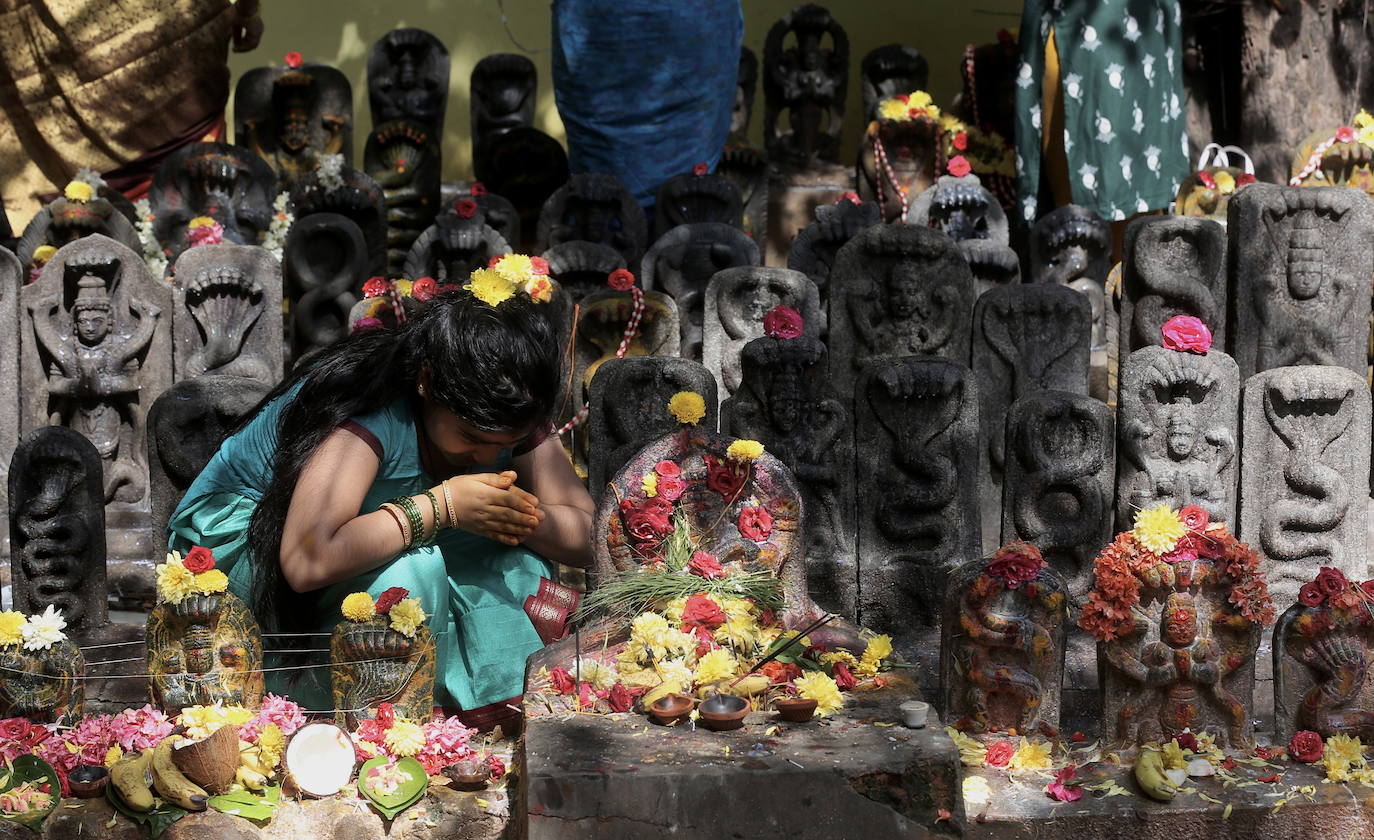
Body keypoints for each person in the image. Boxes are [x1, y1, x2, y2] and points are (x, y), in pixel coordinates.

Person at [167, 273, 593, 730]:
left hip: (379, 526)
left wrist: (517, 516)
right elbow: (306, 559)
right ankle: (384, 718)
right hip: (245, 547)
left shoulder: (512, 401)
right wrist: (441, 507)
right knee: (411, 574)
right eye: (471, 438)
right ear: (427, 381)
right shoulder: (369, 411)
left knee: (517, 558)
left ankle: (476, 697)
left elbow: (588, 536)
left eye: (504, 443)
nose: (487, 457)